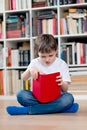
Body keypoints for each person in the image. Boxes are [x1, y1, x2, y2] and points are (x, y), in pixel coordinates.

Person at [6, 34, 79, 115]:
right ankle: (60, 108)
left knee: (68, 98)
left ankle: (27, 110)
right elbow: (23, 78)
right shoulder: (35, 62)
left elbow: (65, 90)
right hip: (37, 98)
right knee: (21, 95)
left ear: (56, 50)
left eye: (51, 55)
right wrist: (30, 70)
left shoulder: (62, 64)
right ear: (37, 53)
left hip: (56, 98)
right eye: (43, 56)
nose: (47, 59)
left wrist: (62, 82)